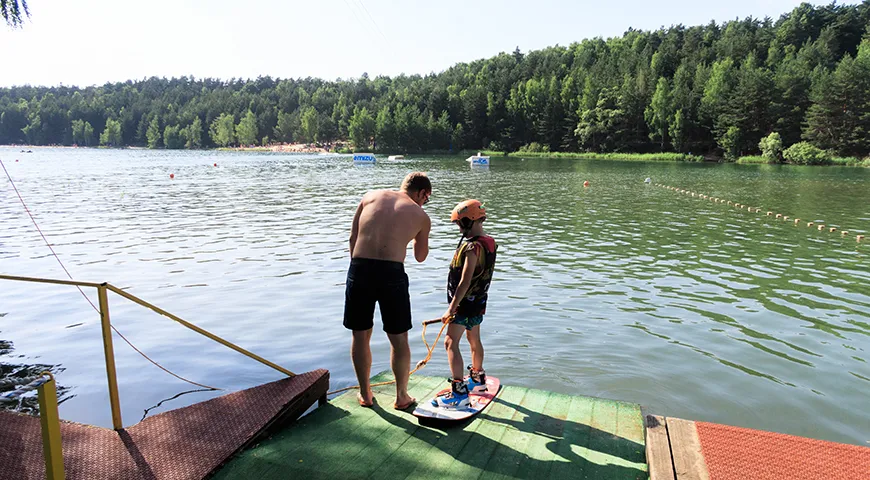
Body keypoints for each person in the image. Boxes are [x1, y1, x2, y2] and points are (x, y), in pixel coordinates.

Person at [344, 172, 432, 410]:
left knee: (360, 334)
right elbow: (420, 257)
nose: (425, 203)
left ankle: (365, 394)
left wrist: (358, 270)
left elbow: (353, 238)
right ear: (423, 193)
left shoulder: (370, 196)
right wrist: (413, 235)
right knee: (399, 338)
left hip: (359, 268)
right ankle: (401, 396)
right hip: (391, 273)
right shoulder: (421, 215)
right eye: (427, 199)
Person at [433, 200, 498, 409]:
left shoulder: (471, 247)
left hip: (463, 305)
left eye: (460, 224)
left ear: (468, 221)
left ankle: (459, 392)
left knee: (450, 343)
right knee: (474, 338)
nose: (459, 229)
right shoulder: (489, 242)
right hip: (479, 302)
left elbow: (465, 280)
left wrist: (451, 308)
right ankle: (478, 380)